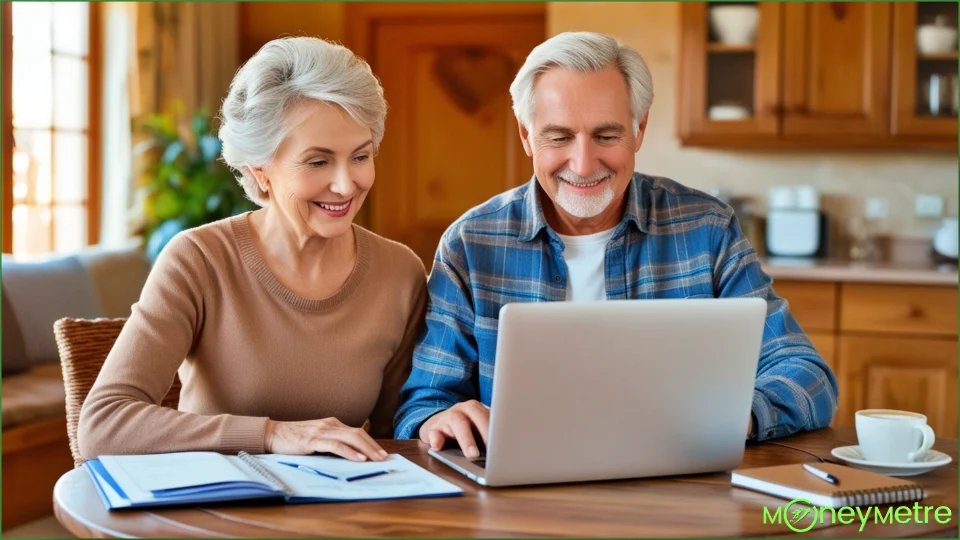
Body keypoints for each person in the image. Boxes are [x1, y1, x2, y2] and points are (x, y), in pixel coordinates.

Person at [394, 32, 838, 456]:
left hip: (677, 491)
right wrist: (439, 418)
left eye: (607, 136)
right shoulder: (471, 244)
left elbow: (808, 376)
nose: (584, 163)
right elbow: (423, 403)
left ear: (639, 130)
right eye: (559, 136)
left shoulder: (707, 228)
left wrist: (735, 417)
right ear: (527, 137)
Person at [78, 37, 427, 462]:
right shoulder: (199, 259)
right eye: (318, 162)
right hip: (213, 515)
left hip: (337, 515)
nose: (345, 184)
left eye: (360, 156)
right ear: (259, 171)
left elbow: (400, 431)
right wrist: (273, 435)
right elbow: (104, 425)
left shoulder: (400, 273)